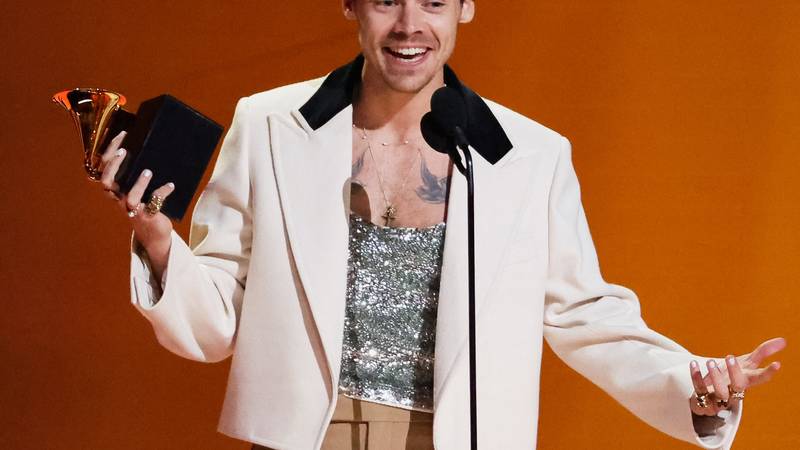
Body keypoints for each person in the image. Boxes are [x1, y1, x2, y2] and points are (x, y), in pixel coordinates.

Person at [97, 1, 785, 449]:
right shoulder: (269, 125)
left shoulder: (531, 157)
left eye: (432, 1)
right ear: (351, 5)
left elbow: (584, 313)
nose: (409, 26)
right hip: (304, 436)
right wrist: (158, 239)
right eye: (386, 1)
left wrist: (692, 383)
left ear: (465, 7)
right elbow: (220, 320)